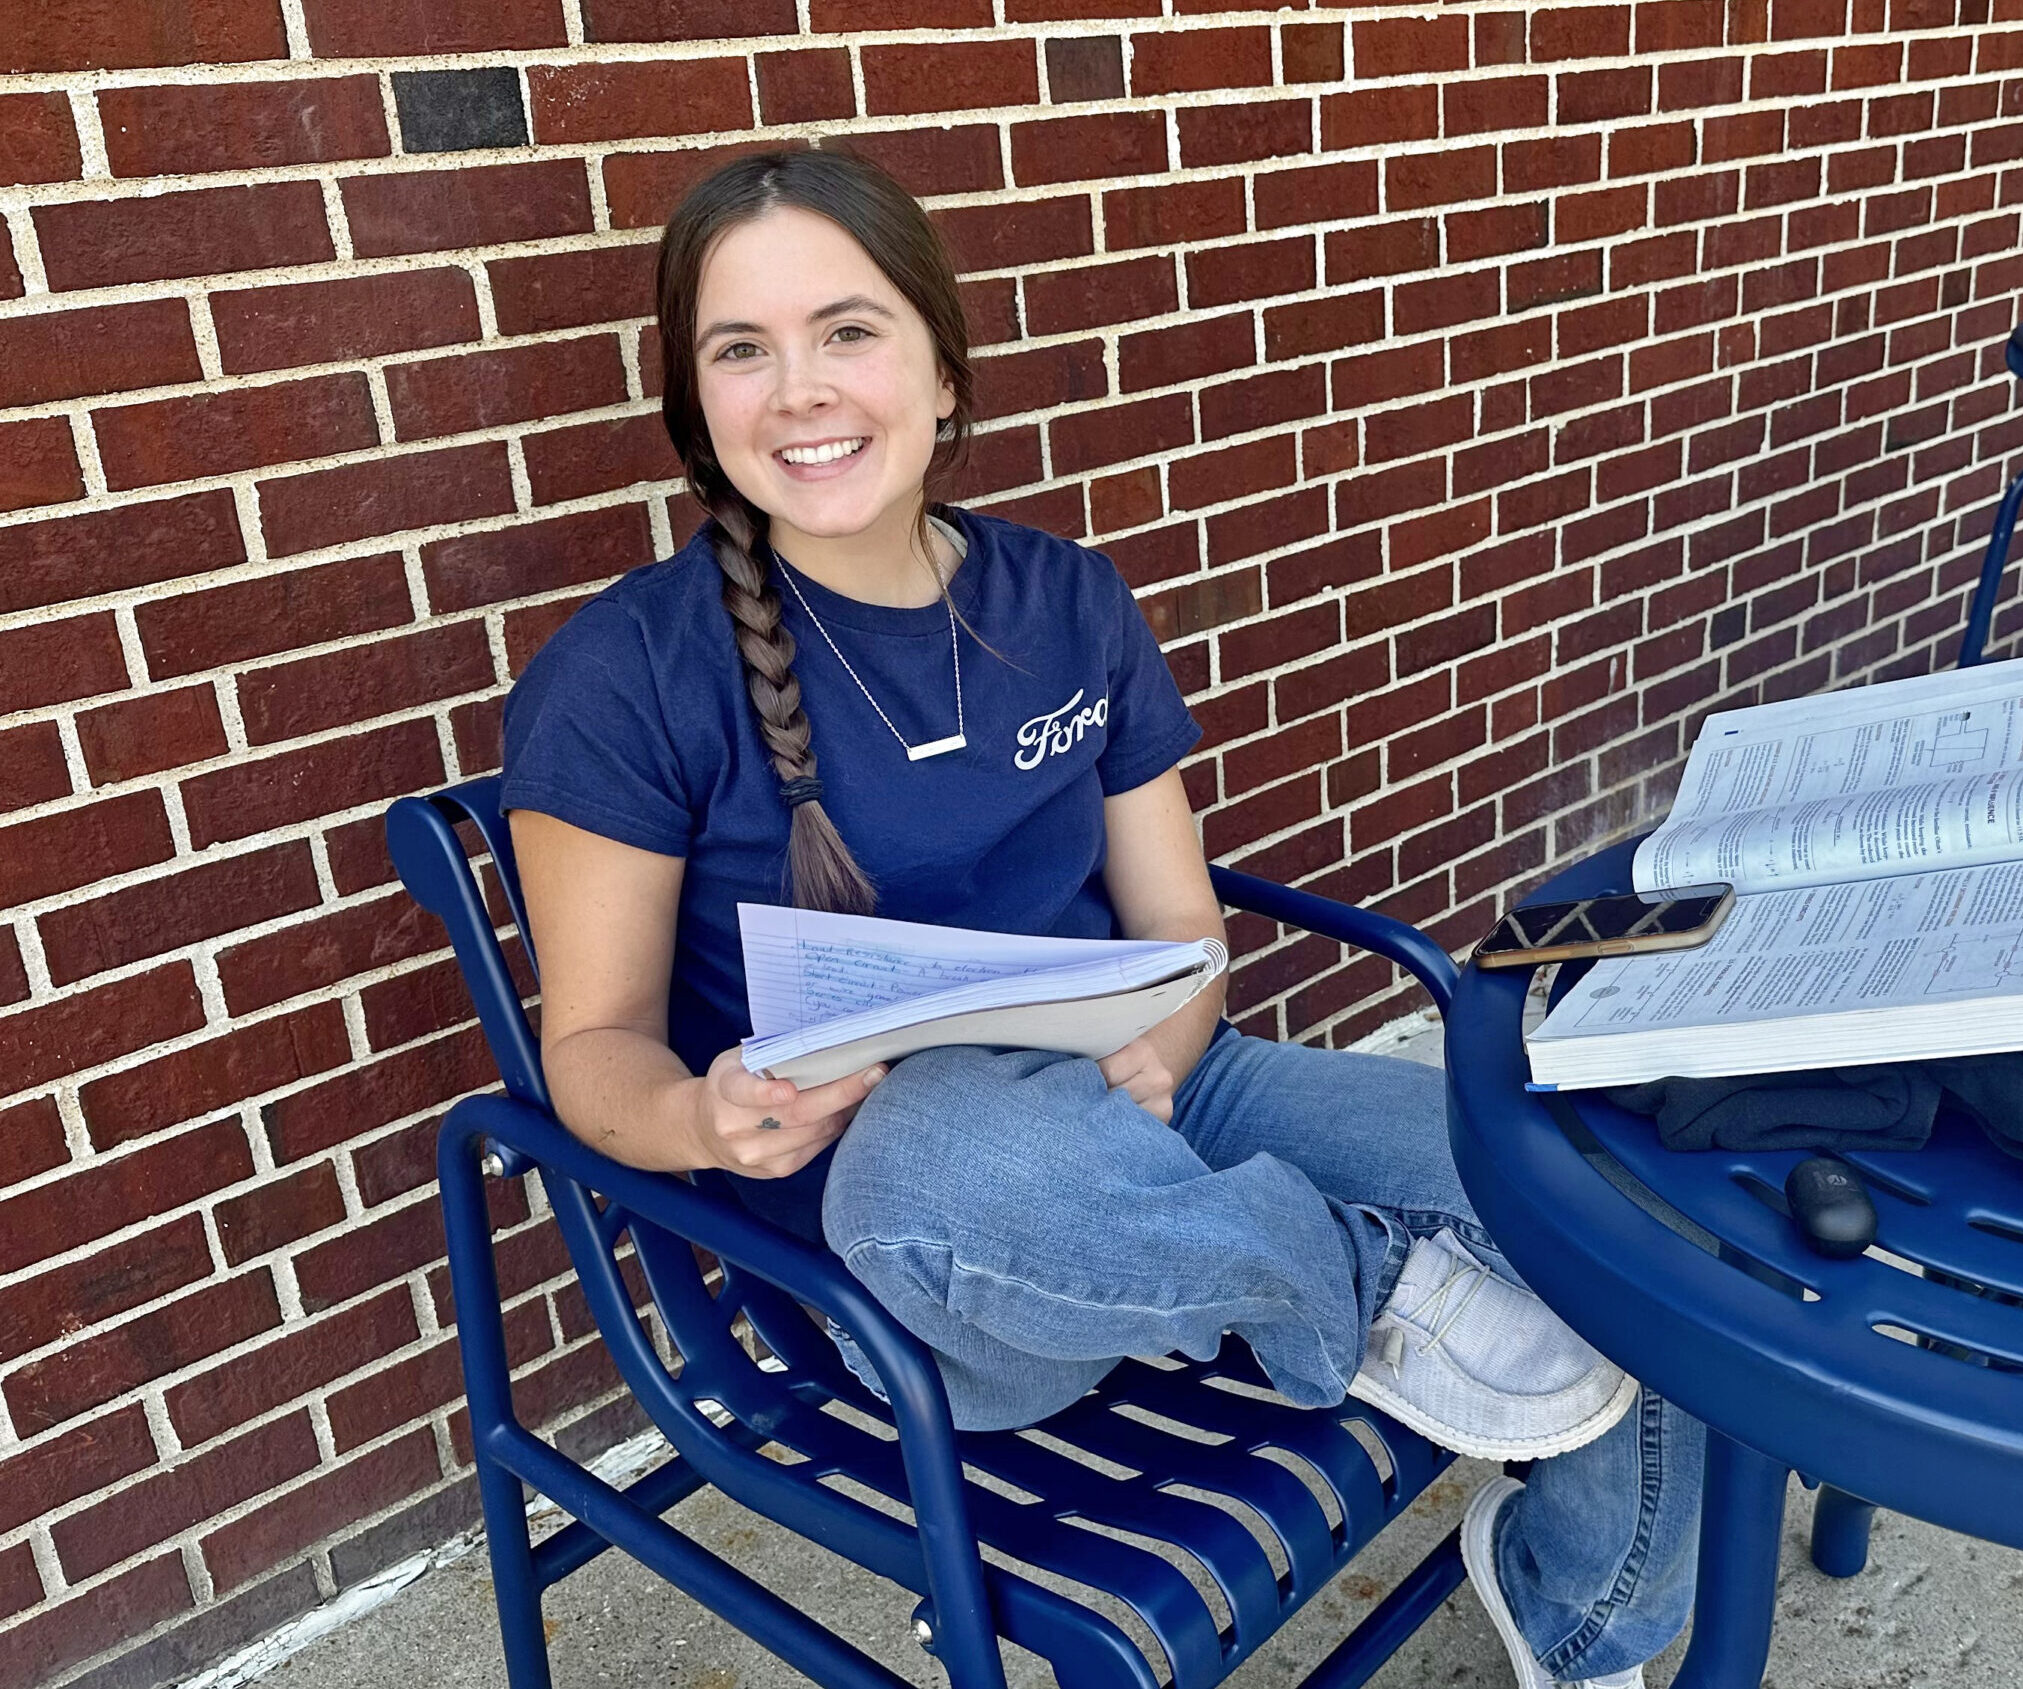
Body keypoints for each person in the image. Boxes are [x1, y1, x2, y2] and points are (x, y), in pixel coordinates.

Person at [500, 148, 1707, 1688]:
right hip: (925, 1240)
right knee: (947, 1155)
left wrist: (1174, 1032)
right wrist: (700, 1115)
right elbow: (590, 1047)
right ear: (699, 401)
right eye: (742, 349)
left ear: (941, 369)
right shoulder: (627, 676)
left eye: (848, 331)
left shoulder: (1064, 601)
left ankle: (1583, 1605)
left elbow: (1182, 925)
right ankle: (1364, 1281)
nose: (799, 390)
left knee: (1624, 1212)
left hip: (1168, 1097)